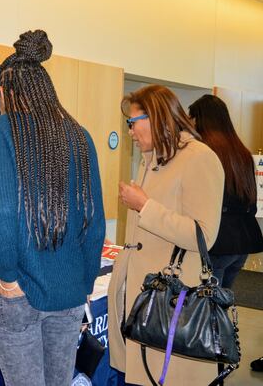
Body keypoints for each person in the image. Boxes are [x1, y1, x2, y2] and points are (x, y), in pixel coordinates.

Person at [0, 30, 105, 386]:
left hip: (19, 289)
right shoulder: (79, 136)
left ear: (4, 92)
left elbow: (2, 212)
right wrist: (85, 280)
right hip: (69, 290)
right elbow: (93, 221)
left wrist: (6, 277)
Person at [108, 85, 225, 385]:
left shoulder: (199, 157)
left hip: (171, 304)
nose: (130, 132)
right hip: (141, 299)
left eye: (133, 123)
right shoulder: (151, 158)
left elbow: (203, 234)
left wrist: (145, 206)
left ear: (157, 117)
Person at [188, 94, 263, 288]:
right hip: (242, 242)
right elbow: (250, 199)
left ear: (200, 120)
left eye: (191, 119)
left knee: (205, 308)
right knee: (220, 304)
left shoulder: (205, 152)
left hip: (217, 242)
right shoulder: (242, 152)